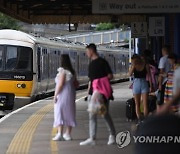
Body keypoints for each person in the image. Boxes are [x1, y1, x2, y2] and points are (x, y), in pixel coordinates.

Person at [80, 43, 116, 146]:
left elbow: (110, 76)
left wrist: (100, 82)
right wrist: (88, 94)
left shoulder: (102, 62)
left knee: (104, 114)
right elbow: (91, 81)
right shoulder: (91, 64)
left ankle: (112, 135)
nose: (86, 54)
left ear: (91, 51)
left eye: (87, 51)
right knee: (92, 115)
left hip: (102, 94)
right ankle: (92, 138)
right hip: (93, 94)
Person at [52, 54, 77, 141]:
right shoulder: (72, 72)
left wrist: (55, 95)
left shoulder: (63, 71)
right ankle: (68, 134)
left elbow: (61, 84)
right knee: (70, 112)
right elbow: (76, 83)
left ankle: (59, 134)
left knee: (59, 111)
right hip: (70, 94)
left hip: (62, 94)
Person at [129, 54, 152, 123]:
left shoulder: (143, 65)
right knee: (141, 103)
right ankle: (142, 120)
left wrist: (151, 85)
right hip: (141, 83)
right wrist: (151, 85)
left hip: (139, 83)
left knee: (141, 103)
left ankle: (142, 120)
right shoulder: (143, 65)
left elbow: (130, 74)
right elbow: (130, 74)